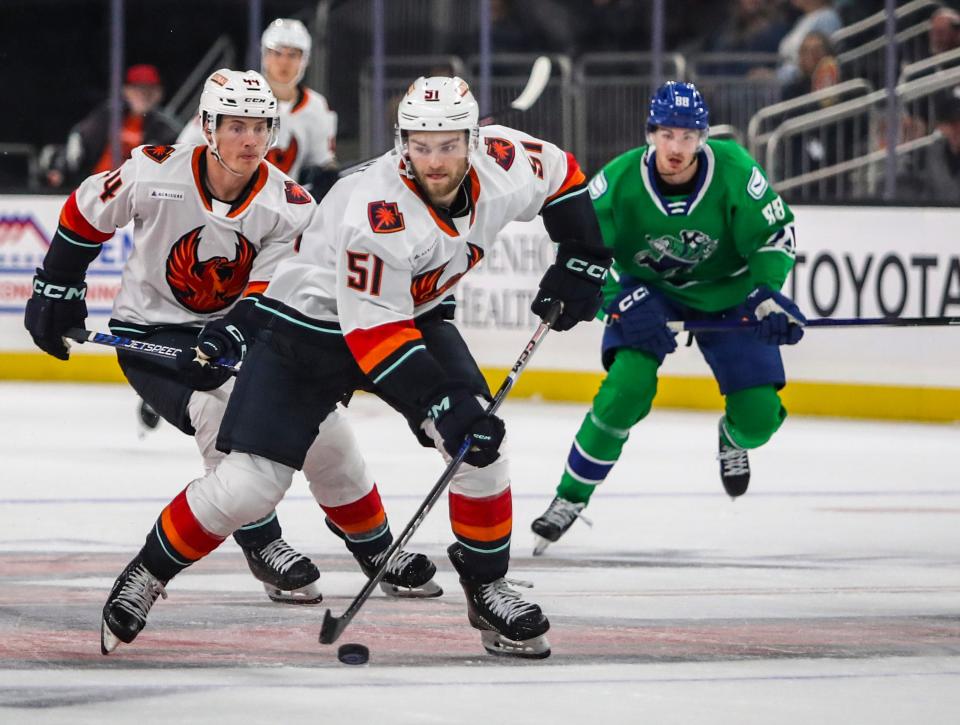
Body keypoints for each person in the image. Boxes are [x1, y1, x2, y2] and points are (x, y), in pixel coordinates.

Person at [98, 75, 611, 659]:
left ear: (473, 140)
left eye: (448, 144)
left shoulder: (505, 160)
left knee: (477, 447)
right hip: (307, 328)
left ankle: (487, 585)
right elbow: (376, 337)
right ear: (401, 143)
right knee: (251, 483)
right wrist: (444, 404)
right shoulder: (376, 210)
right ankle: (147, 571)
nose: (435, 161)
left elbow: (564, 174)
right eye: (420, 145)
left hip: (412, 313)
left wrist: (583, 255)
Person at [22, 69, 439, 654]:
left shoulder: (288, 204)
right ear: (208, 127)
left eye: (260, 127)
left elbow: (264, 297)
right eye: (235, 126)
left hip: (236, 332)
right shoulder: (155, 169)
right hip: (152, 333)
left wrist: (230, 340)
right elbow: (87, 211)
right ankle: (261, 541)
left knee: (330, 433)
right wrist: (57, 285)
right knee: (222, 419)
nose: (249, 140)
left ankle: (376, 549)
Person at [530, 81, 804, 555]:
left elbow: (773, 236)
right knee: (625, 392)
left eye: (688, 136)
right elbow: (578, 253)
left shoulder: (736, 170)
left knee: (759, 418)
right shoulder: (616, 181)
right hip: (646, 294)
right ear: (650, 134)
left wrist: (768, 293)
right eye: (667, 135)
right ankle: (569, 497)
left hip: (730, 292)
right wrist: (616, 300)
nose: (676, 148)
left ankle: (731, 438)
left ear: (703, 137)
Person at [178, 18, 338, 202]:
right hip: (226, 200)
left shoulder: (316, 107)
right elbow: (185, 147)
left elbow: (322, 163)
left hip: (281, 209)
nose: (284, 62)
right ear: (264, 55)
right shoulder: (232, 92)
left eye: (293, 55)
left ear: (305, 59)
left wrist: (325, 177)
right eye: (277, 53)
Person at [46, 64, 180, 189]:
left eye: (149, 90)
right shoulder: (108, 115)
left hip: (135, 194)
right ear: (126, 90)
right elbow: (80, 138)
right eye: (138, 89)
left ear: (159, 93)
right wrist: (61, 168)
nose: (143, 95)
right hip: (95, 187)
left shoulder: (166, 129)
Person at [895, 86, 960, 204]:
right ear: (942, 126)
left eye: (958, 124)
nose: (956, 130)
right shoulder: (931, 152)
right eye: (951, 124)